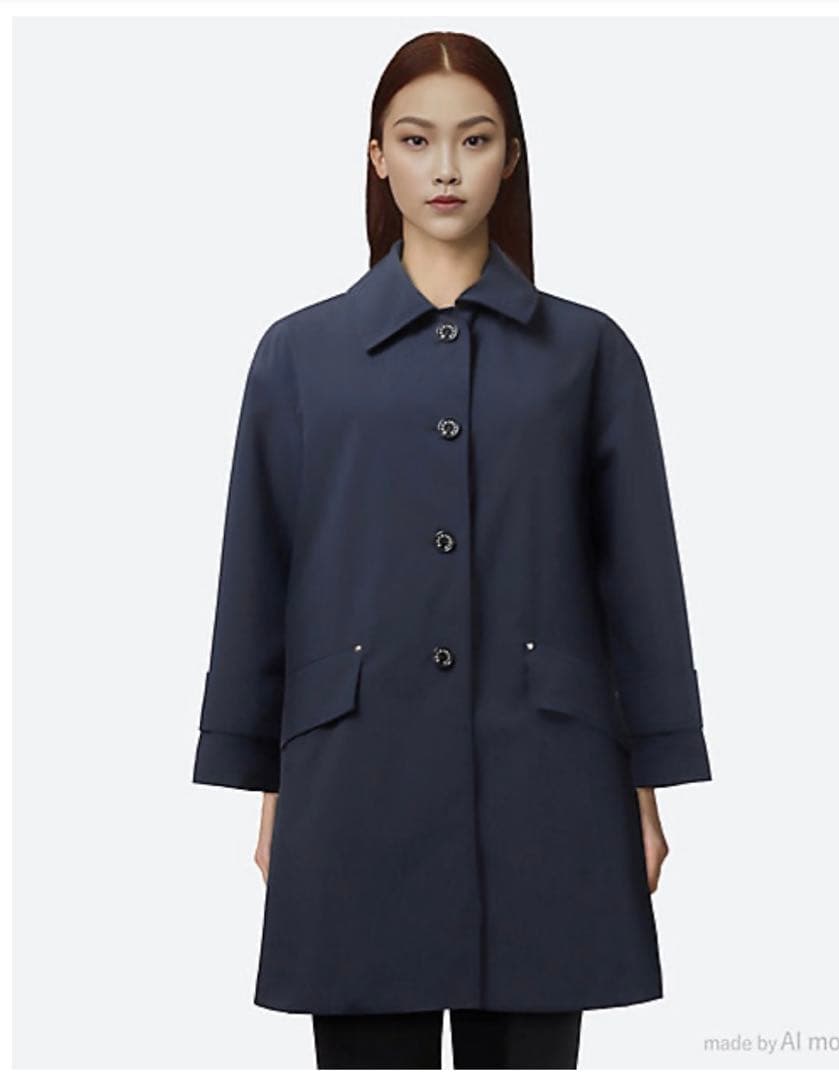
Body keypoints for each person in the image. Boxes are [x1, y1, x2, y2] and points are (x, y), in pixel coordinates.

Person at [192, 30, 713, 1070]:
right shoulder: (297, 355)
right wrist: (269, 782)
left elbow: (638, 581)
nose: (444, 168)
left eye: (472, 140)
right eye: (415, 139)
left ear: (510, 157)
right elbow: (262, 573)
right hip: (351, 776)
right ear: (375, 157)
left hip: (549, 775)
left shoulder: (588, 352)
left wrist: (645, 781)